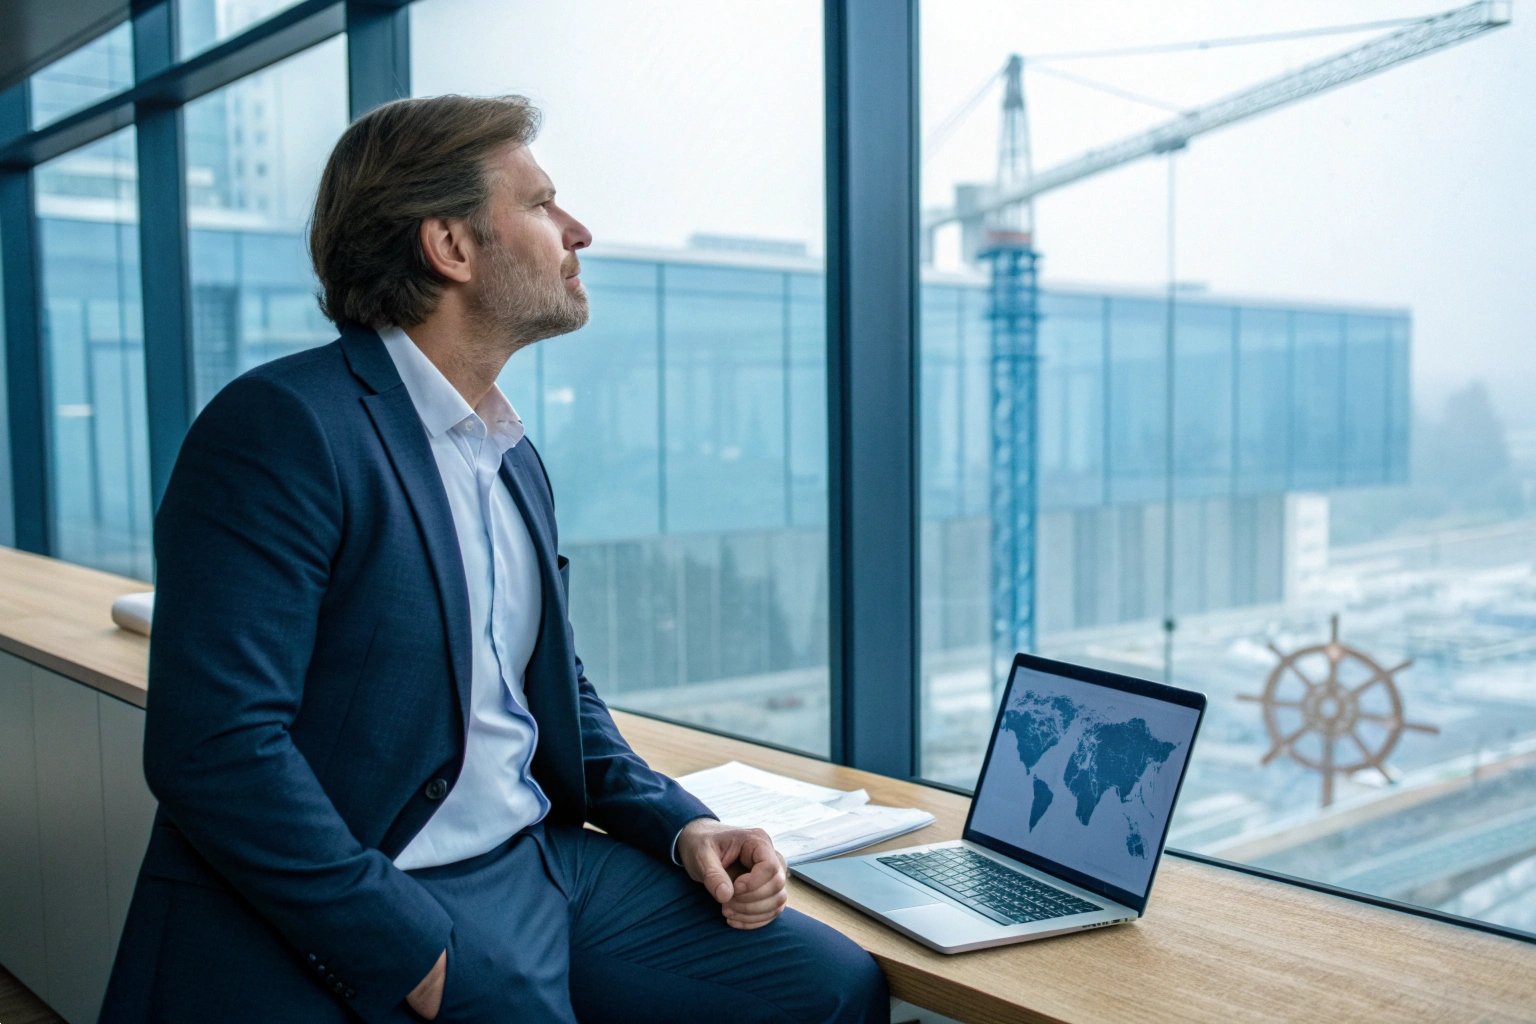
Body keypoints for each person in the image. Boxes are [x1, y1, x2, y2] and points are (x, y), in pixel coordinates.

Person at [99, 94, 888, 1023]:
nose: (578, 231)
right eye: (543, 204)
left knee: (832, 987)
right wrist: (409, 955)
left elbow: (548, 690)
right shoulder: (283, 428)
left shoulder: (507, 452)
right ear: (451, 246)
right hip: (388, 881)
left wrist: (684, 826)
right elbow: (216, 749)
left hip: (537, 863)